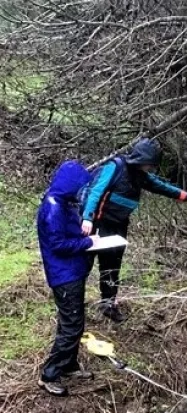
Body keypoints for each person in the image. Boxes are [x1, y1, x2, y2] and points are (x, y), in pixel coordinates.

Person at [80, 137, 187, 323]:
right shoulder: (115, 167)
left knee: (112, 265)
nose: (150, 168)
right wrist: (87, 217)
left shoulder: (142, 176)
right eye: (149, 164)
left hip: (119, 225)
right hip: (97, 223)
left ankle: (108, 304)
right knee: (85, 264)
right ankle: (75, 301)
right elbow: (96, 191)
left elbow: (163, 187)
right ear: (140, 159)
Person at [37, 160, 99, 397]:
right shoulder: (53, 208)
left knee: (74, 321)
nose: (81, 191)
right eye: (79, 186)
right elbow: (58, 245)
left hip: (73, 270)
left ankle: (69, 365)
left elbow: (69, 233)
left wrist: (86, 234)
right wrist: (89, 242)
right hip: (64, 275)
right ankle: (49, 375)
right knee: (71, 326)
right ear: (69, 184)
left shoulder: (63, 202)